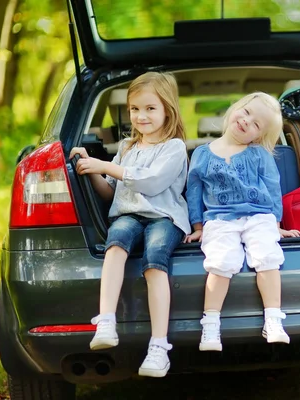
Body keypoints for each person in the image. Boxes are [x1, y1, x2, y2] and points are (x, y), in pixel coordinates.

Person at [70, 71, 190, 378]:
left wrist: (105, 164)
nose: (141, 115)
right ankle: (107, 319)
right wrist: (91, 168)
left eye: (150, 108)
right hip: (128, 214)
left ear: (168, 109)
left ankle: (159, 346)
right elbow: (112, 192)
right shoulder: (127, 148)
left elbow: (151, 183)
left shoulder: (174, 147)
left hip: (164, 217)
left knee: (154, 260)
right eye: (135, 109)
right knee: (117, 240)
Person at [184, 92, 300, 351]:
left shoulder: (259, 155)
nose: (247, 121)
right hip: (219, 219)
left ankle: (273, 319)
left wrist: (276, 225)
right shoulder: (202, 154)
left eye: (257, 124)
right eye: (246, 112)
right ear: (236, 107)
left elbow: (272, 189)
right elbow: (193, 192)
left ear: (258, 136)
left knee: (268, 257)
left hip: (259, 217)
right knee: (220, 263)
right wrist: (197, 227)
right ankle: (211, 324)